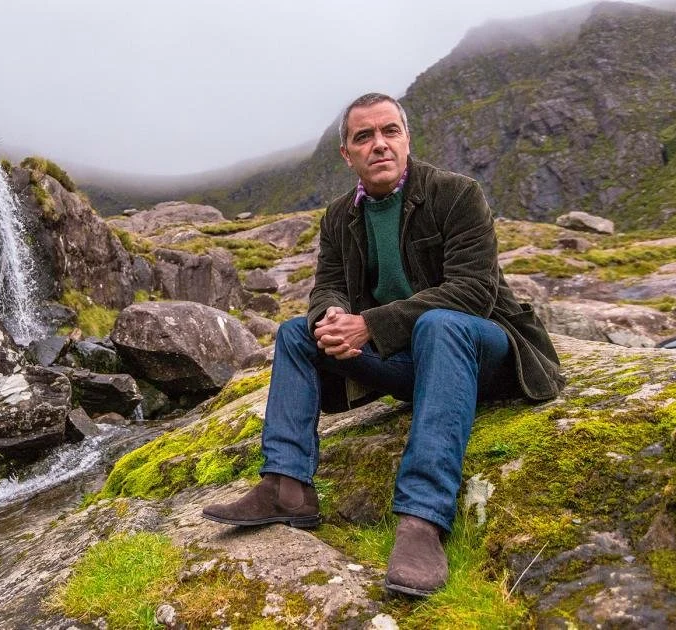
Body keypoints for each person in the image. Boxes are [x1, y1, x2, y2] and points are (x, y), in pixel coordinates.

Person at [202, 92, 564, 597]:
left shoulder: (456, 194)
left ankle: (422, 519)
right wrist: (329, 315)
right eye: (364, 136)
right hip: (411, 365)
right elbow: (327, 282)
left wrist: (369, 324)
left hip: (484, 354)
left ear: (406, 138)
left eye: (390, 131)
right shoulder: (338, 217)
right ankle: (287, 488)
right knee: (293, 333)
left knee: (441, 324)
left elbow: (473, 291)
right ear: (347, 154)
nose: (380, 145)